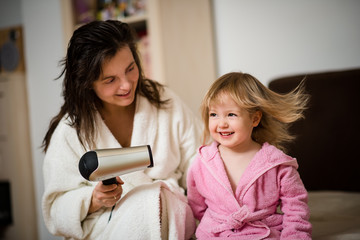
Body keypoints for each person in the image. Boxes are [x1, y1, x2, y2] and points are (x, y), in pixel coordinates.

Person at [41, 20, 202, 240]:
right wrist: (93, 199)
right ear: (88, 82)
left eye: (130, 69)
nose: (126, 85)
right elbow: (55, 211)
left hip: (174, 220)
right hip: (109, 229)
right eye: (110, 80)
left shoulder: (163, 101)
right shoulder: (71, 131)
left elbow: (200, 162)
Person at [187, 72, 312, 239]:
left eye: (231, 114)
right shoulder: (203, 161)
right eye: (214, 114)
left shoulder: (275, 163)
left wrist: (293, 236)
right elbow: (197, 205)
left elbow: (296, 208)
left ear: (254, 119)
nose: (221, 123)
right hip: (217, 234)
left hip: (263, 234)